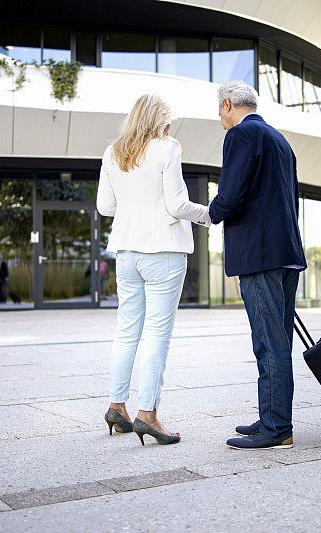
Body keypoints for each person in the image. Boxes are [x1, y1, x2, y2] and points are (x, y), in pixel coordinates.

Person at [97, 93, 211, 445]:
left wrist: (136, 206)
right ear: (160, 119)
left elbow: (105, 206)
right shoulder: (167, 148)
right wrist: (210, 215)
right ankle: (148, 414)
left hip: (127, 252)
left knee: (127, 330)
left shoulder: (113, 151)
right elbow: (177, 204)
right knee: (157, 333)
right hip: (163, 250)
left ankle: (118, 406)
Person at [209, 81, 306, 450]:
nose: (220, 118)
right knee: (277, 340)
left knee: (268, 342)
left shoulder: (241, 134)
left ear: (229, 104)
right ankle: (273, 416)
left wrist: (205, 214)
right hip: (286, 253)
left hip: (259, 256)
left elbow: (230, 195)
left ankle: (277, 427)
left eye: (220, 110)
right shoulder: (279, 139)